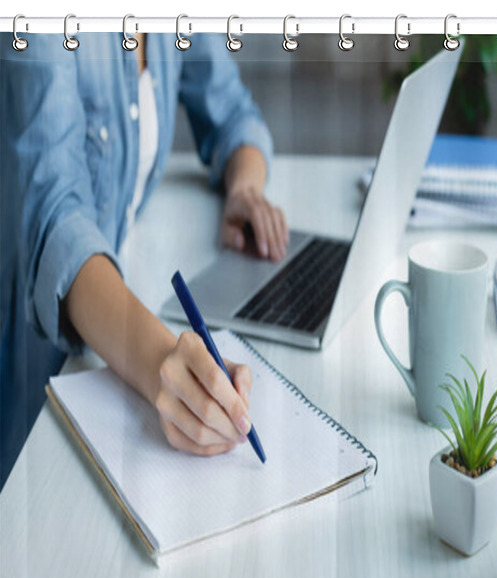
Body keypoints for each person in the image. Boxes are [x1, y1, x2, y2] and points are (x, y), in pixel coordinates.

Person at [0, 32, 288, 489]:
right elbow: (57, 225)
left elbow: (232, 112)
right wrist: (164, 361)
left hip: (108, 342)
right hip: (29, 370)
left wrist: (245, 188)